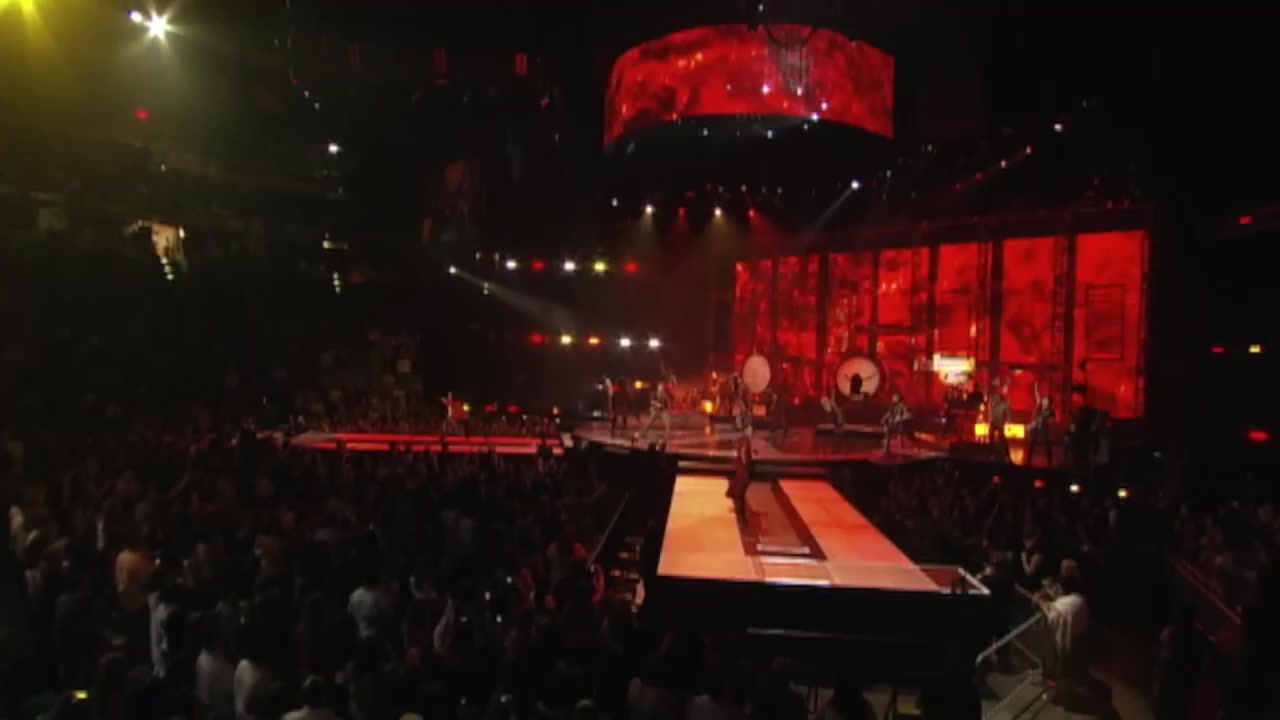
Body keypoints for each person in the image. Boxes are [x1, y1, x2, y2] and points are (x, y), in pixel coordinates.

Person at [1025, 382, 1055, 467]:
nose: (1044, 401)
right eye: (1043, 400)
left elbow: (1051, 420)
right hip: (1036, 428)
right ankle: (1028, 459)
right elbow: (1037, 396)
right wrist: (1036, 387)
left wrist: (1048, 421)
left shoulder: (1050, 411)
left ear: (1048, 403)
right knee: (1032, 443)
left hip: (1043, 429)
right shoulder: (1039, 406)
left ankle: (1050, 462)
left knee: (1047, 444)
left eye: (1045, 400)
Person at [728, 429, 752, 521]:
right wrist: (746, 464)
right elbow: (744, 454)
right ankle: (741, 514)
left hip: (740, 469)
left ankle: (740, 511)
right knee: (741, 492)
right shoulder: (746, 441)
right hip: (743, 470)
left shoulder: (742, 441)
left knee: (739, 490)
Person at [988, 388, 1011, 462]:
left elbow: (1008, 414)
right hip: (994, 423)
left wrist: (1007, 422)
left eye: (997, 397)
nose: (996, 398)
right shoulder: (993, 403)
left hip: (1000, 423)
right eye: (995, 397)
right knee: (991, 438)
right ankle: (991, 454)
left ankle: (1007, 455)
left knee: (1002, 439)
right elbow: (991, 412)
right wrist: (990, 419)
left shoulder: (1004, 404)